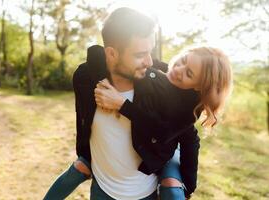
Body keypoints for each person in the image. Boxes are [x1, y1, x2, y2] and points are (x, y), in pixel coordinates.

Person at [44, 7, 159, 200]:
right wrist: (86, 157)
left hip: (146, 192)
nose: (149, 61)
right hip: (102, 191)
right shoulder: (84, 79)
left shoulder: (158, 82)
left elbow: (172, 131)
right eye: (140, 54)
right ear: (112, 54)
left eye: (150, 52)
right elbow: (84, 122)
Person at [93, 44, 232, 199]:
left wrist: (121, 104)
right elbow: (99, 53)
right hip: (111, 161)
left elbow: (162, 131)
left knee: (173, 188)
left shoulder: (190, 107)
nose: (178, 70)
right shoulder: (163, 68)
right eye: (183, 60)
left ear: (199, 86)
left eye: (189, 74)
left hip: (162, 151)